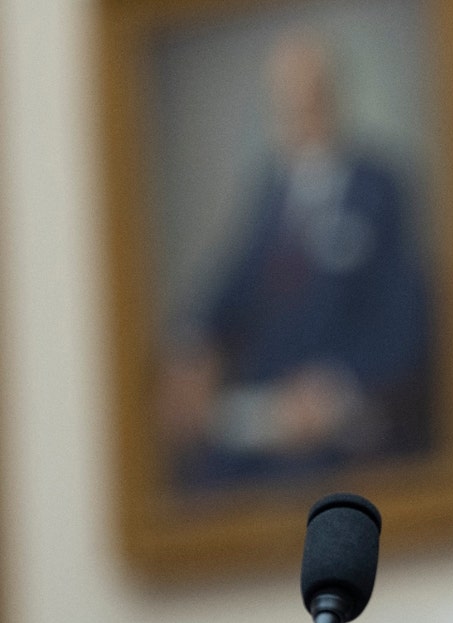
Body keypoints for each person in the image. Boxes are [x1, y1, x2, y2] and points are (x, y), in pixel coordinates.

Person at [159, 29, 434, 488]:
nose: (298, 114)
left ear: (331, 97)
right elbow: (230, 288)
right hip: (268, 411)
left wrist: (340, 390)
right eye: (286, 102)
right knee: (201, 479)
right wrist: (190, 346)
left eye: (309, 98)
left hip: (344, 416)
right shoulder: (272, 192)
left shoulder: (379, 186)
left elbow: (405, 315)